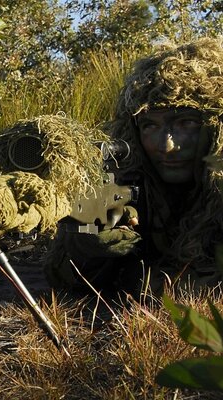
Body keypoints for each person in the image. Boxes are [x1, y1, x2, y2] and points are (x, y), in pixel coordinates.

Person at [44, 37, 223, 297]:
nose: (167, 146)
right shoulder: (128, 177)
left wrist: (139, 280)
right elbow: (60, 276)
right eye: (151, 126)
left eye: (187, 123)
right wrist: (87, 247)